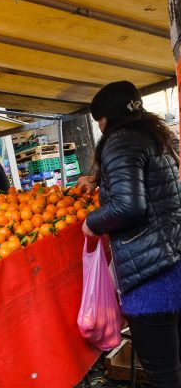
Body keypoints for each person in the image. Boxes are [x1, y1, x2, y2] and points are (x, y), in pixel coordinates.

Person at [79, 81, 181, 388]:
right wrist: (100, 179)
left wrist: (92, 223)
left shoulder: (120, 141)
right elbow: (143, 180)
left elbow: (128, 205)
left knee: (163, 373)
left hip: (152, 275)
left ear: (106, 119)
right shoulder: (154, 135)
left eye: (99, 121)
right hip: (173, 259)